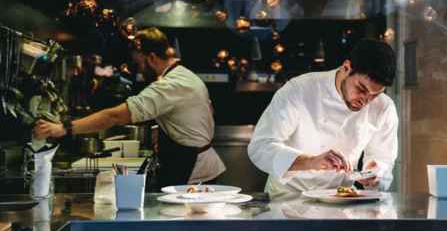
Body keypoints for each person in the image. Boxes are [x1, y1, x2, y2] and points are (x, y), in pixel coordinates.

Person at [34, 27, 225, 187]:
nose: (139, 69)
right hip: (197, 166)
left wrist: (64, 128)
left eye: (139, 62)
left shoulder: (169, 86)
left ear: (151, 57)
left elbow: (114, 117)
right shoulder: (184, 75)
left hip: (194, 173)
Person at [248, 38, 398, 196]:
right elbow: (261, 147)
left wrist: (375, 171)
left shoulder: (384, 107)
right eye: (361, 88)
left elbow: (383, 157)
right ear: (346, 67)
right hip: (286, 198)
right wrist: (311, 162)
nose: (365, 101)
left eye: (374, 95)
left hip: (340, 199)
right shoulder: (299, 90)